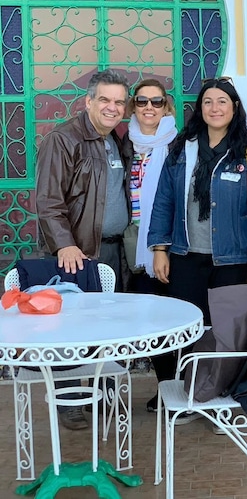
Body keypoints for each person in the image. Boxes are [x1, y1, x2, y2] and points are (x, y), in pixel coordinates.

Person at [148, 77, 247, 425]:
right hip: (186, 257)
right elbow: (164, 202)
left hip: (235, 260)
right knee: (189, 330)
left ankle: (225, 402)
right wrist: (160, 248)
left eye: (222, 102)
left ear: (234, 109)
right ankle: (189, 395)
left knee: (229, 335)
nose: (214, 108)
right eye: (208, 102)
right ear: (199, 108)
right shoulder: (181, 150)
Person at [35, 68, 131, 431]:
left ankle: (105, 394)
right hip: (77, 252)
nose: (112, 107)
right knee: (72, 329)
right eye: (104, 100)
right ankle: (71, 400)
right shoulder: (64, 139)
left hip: (111, 250)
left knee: (109, 327)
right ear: (88, 101)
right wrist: (66, 244)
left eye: (119, 102)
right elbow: (48, 200)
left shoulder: (114, 140)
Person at [123, 78, 178, 413]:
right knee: (153, 323)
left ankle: (188, 389)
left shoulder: (178, 144)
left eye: (156, 102)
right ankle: (166, 387)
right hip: (135, 247)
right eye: (142, 101)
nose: (148, 108)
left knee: (178, 319)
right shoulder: (124, 143)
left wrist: (165, 246)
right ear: (133, 106)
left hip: (170, 246)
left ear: (166, 107)